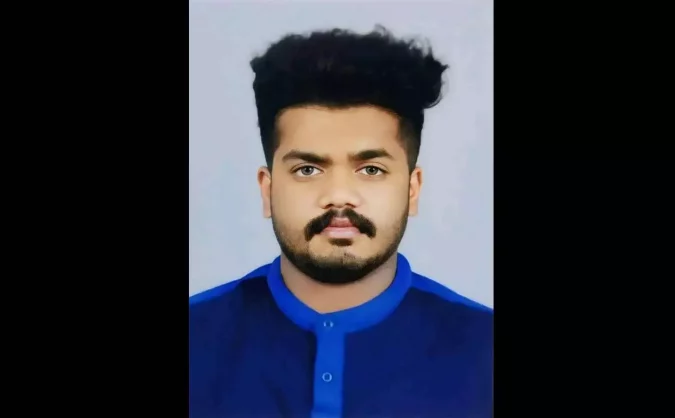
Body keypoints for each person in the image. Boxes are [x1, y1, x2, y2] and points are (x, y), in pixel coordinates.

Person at [189, 25, 493, 418]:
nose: (339, 195)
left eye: (370, 169)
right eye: (308, 169)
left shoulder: (484, 350)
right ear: (268, 189)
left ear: (412, 189)